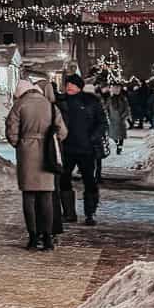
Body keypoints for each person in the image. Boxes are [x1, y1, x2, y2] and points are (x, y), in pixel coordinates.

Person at [5, 74, 66, 249]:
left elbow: (11, 130)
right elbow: (62, 132)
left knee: (29, 196)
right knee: (46, 196)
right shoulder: (50, 106)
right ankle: (47, 238)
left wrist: (19, 143)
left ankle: (32, 237)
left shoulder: (19, 106)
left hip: (27, 153)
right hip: (48, 155)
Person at [56, 74, 107, 226]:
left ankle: (90, 213)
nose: (69, 87)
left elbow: (102, 123)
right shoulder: (60, 102)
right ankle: (69, 213)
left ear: (80, 86)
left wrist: (93, 138)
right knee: (64, 180)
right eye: (68, 84)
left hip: (87, 149)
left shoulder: (91, 101)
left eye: (73, 84)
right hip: (67, 149)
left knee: (89, 181)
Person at [104, 84, 130, 155]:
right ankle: (117, 144)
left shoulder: (123, 98)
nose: (116, 90)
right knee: (113, 135)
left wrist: (124, 116)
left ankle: (120, 147)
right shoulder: (110, 99)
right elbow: (106, 108)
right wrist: (108, 117)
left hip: (121, 120)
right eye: (115, 89)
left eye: (118, 89)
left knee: (121, 135)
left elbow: (127, 108)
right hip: (113, 120)